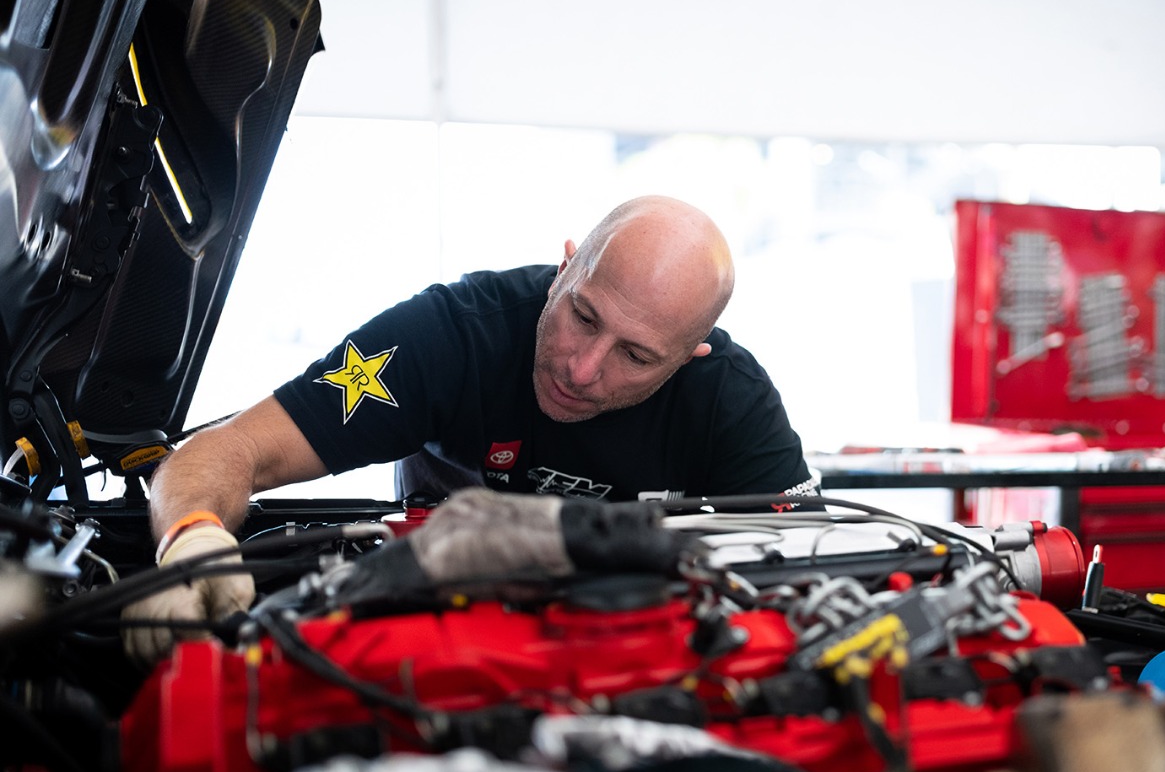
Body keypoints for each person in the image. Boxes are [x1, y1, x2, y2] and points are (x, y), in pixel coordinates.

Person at [122, 195, 817, 663]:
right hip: (428, 633)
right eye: (582, 315)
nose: (581, 368)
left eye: (636, 356)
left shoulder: (730, 397)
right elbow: (231, 449)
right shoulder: (455, 335)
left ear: (692, 352)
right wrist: (191, 535)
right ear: (566, 265)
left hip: (633, 656)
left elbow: (817, 565)